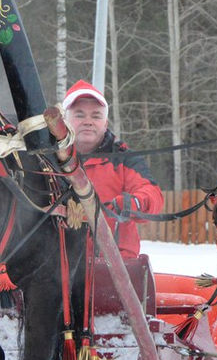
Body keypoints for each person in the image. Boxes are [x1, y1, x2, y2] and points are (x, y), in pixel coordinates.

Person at [61, 79, 164, 259]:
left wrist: (135, 203)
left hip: (116, 266)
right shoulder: (47, 161)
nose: (88, 121)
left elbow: (151, 193)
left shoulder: (124, 160)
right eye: (79, 115)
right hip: (56, 266)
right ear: (64, 121)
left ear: (105, 123)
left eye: (96, 116)